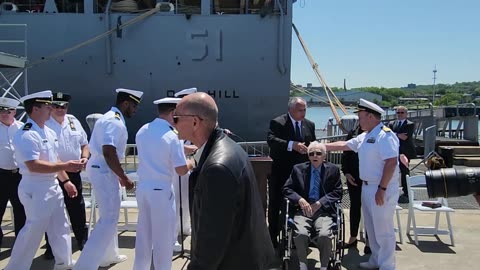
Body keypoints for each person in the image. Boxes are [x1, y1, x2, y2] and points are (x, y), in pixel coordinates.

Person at [174, 92, 275, 270]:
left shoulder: (217, 168)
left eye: (176, 118)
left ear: (195, 122)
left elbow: (212, 239)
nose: (172, 122)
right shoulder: (229, 148)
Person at [6, 90, 83, 270]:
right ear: (35, 109)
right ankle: (16, 267)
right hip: (35, 186)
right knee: (33, 230)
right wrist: (66, 166)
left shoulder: (47, 131)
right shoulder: (27, 134)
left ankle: (64, 263)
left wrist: (66, 181)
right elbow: (33, 165)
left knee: (60, 227)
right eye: (47, 106)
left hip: (52, 185)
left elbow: (54, 159)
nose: (51, 109)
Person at [74, 88, 143, 269]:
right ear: (125, 103)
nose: (135, 110)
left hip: (102, 168)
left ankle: (108, 256)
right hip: (104, 170)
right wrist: (123, 176)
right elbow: (109, 151)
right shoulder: (114, 121)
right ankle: (85, 265)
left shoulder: (110, 118)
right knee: (109, 219)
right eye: (134, 105)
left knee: (109, 216)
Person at [326, 98, 399, 270]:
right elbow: (345, 145)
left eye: (361, 116)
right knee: (372, 229)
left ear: (371, 116)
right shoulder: (366, 136)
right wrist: (320, 146)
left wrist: (382, 189)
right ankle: (376, 260)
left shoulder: (385, 135)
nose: (358, 120)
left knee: (383, 229)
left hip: (381, 187)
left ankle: (387, 265)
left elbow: (391, 162)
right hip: (366, 187)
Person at [133, 97, 193, 270]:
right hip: (161, 191)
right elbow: (181, 169)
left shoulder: (143, 130)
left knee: (144, 237)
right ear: (174, 113)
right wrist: (192, 162)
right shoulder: (172, 135)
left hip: (143, 189)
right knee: (164, 239)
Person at [42, 92, 90, 259]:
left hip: (74, 172)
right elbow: (50, 156)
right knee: (54, 211)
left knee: (77, 208)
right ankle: (51, 247)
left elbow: (85, 143)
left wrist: (85, 156)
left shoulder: (73, 120)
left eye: (64, 106)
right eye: (56, 106)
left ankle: (82, 239)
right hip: (53, 174)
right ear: (50, 107)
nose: (60, 109)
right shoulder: (44, 124)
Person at [283, 141, 342, 270]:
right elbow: (287, 189)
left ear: (324, 156)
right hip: (302, 210)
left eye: (318, 153)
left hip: (323, 211)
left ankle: (324, 266)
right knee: (301, 234)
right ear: (308, 156)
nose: (315, 156)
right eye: (311, 153)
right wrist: (300, 200)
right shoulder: (298, 169)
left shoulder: (333, 170)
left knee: (325, 235)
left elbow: (337, 192)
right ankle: (303, 265)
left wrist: (320, 203)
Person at [267, 97, 316, 247]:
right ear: (290, 110)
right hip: (280, 173)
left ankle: (300, 236)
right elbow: (271, 140)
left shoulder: (309, 125)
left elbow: (313, 143)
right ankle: (272, 238)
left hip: (301, 175)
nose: (303, 113)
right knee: (275, 205)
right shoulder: (278, 122)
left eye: (305, 110)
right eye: (300, 110)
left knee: (301, 204)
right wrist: (291, 145)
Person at [339, 117, 370, 254]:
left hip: (370, 179)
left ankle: (370, 241)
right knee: (355, 207)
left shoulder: (377, 135)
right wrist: (346, 173)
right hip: (354, 178)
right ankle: (353, 237)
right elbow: (345, 155)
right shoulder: (352, 133)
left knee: (369, 210)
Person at [172, 87, 198, 252]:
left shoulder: (196, 119)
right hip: (178, 167)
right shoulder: (175, 122)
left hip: (190, 166)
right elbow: (178, 145)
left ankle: (185, 227)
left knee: (187, 199)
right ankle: (173, 234)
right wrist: (198, 148)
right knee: (175, 202)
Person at [0, 97, 26, 250]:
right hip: (0, 175)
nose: (4, 113)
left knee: (21, 210)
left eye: (8, 110)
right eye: (1, 110)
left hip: (19, 175)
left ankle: (21, 244)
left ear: (14, 112)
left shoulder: (23, 128)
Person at [388, 106, 416, 203]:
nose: (399, 114)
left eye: (402, 113)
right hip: (394, 151)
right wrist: (398, 135)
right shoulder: (392, 123)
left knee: (405, 173)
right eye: (398, 112)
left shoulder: (410, 124)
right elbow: (388, 135)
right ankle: (391, 191)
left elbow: (405, 137)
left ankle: (406, 193)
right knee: (391, 172)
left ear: (406, 114)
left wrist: (394, 134)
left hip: (405, 152)